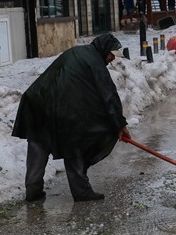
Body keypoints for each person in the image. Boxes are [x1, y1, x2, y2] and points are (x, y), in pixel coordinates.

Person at [12, 33, 131, 202]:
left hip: (37, 101)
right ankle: (81, 191)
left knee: (39, 144)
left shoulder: (77, 52)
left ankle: (33, 191)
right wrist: (119, 124)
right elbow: (109, 95)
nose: (112, 58)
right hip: (62, 109)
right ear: (104, 49)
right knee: (75, 143)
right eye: (112, 54)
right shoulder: (95, 62)